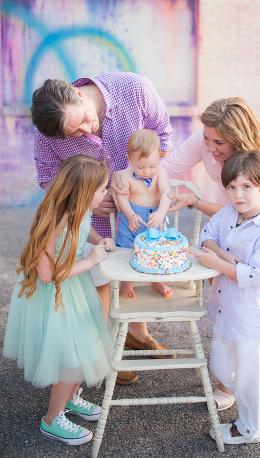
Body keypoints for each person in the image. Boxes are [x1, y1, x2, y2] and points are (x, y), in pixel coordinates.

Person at [113, 96, 260, 408]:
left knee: (244, 309)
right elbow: (160, 168)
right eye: (206, 139)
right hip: (230, 219)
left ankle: (250, 390)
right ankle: (231, 379)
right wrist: (124, 175)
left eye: (218, 142)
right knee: (223, 302)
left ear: (239, 139)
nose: (209, 148)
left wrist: (221, 251)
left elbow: (255, 211)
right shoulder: (207, 138)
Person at [31, 74, 175, 378]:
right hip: (94, 218)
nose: (86, 130)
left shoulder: (136, 89)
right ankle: (103, 354)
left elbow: (163, 136)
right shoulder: (47, 131)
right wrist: (89, 199)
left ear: (77, 94)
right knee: (101, 283)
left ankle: (137, 334)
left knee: (140, 269)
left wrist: (143, 185)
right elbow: (47, 177)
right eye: (75, 133)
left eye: (83, 120)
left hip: (144, 211)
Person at [4, 155, 116, 446]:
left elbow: (84, 228)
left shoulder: (79, 211)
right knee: (71, 359)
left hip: (74, 288)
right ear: (84, 193)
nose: (107, 193)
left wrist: (97, 241)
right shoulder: (54, 222)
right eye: (103, 189)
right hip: (55, 296)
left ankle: (71, 398)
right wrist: (90, 261)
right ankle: (52, 420)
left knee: (88, 347)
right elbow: (46, 275)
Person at [190, 151, 260, 445]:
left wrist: (219, 264)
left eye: (247, 187)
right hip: (227, 307)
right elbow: (207, 236)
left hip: (252, 314)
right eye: (232, 187)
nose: (238, 195)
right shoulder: (228, 212)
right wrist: (225, 256)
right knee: (221, 367)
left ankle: (251, 428)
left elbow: (255, 275)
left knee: (249, 375)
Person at [112, 129, 174, 299]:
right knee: (125, 247)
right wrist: (131, 215)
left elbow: (166, 194)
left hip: (155, 219)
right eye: (140, 167)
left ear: (159, 160)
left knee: (157, 249)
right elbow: (122, 198)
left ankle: (157, 280)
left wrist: (161, 213)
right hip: (132, 219)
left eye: (152, 166)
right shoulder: (125, 175)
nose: (147, 171)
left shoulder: (160, 172)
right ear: (129, 159)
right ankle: (126, 281)